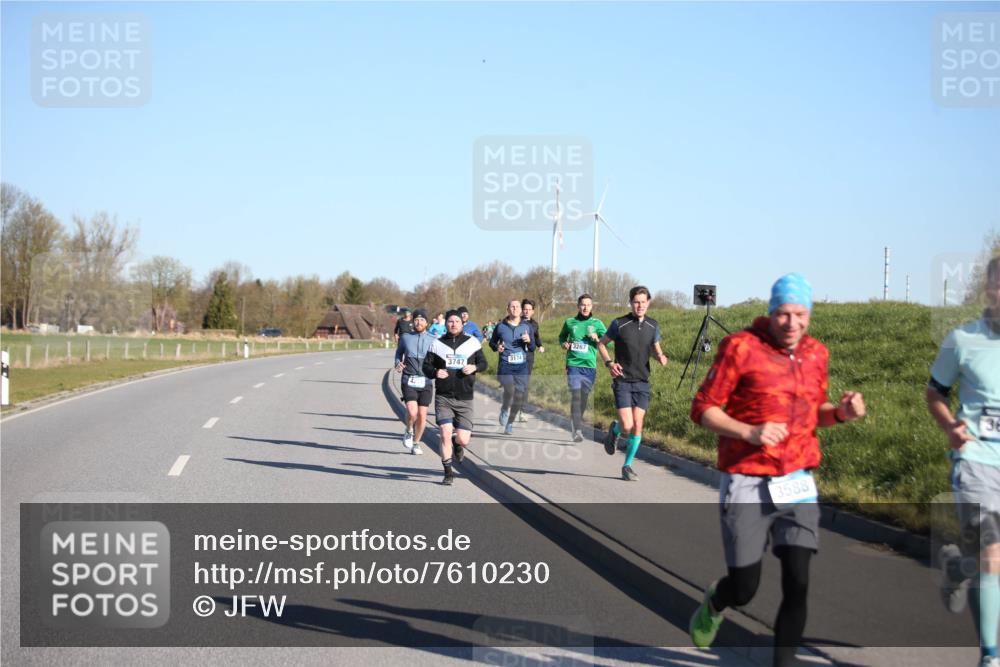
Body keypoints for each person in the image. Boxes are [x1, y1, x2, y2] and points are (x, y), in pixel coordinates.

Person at [688, 273, 866, 667]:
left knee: (798, 581)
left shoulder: (816, 354)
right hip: (747, 478)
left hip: (796, 480)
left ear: (810, 315)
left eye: (800, 315)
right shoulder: (740, 348)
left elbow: (814, 413)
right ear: (770, 313)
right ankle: (718, 600)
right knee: (745, 587)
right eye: (784, 314)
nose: (792, 324)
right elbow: (702, 407)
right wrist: (750, 431)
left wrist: (840, 413)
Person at [929, 256, 1000, 667]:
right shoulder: (963, 339)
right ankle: (990, 656)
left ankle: (958, 568)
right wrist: (952, 427)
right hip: (974, 460)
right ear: (988, 291)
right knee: (991, 547)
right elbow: (934, 392)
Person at [597, 285, 668, 480]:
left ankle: (627, 466)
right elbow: (601, 344)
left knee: (638, 424)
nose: (639, 306)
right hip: (623, 380)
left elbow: (655, 347)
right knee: (627, 425)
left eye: (643, 302)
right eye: (636, 302)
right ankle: (615, 429)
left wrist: (660, 356)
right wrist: (609, 363)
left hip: (642, 381)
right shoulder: (619, 324)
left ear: (648, 303)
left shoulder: (653, 326)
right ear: (630, 303)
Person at [423, 309, 488, 485]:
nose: (453, 324)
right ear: (446, 324)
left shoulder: (472, 342)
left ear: (462, 323)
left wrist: (474, 368)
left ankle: (457, 443)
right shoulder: (437, 344)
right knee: (444, 433)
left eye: (456, 321)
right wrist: (436, 372)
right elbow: (426, 367)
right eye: (450, 321)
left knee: (463, 439)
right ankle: (448, 472)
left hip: (465, 397)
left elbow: (484, 363)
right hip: (443, 397)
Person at [559, 294, 606, 442]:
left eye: (588, 305)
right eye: (582, 305)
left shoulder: (597, 324)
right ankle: (577, 429)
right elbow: (562, 337)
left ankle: (575, 422)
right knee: (576, 395)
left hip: (589, 366)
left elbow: (609, 343)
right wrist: (564, 344)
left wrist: (597, 339)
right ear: (578, 306)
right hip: (573, 364)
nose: (585, 307)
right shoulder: (569, 322)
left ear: (592, 306)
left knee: (584, 397)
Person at [489, 299, 536, 435]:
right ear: (508, 309)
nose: (515, 309)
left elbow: (532, 347)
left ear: (521, 310)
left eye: (517, 307)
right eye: (512, 307)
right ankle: (504, 408)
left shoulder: (528, 327)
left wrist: (529, 341)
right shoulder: (500, 326)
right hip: (506, 364)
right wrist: (497, 346)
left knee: (519, 395)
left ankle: (510, 423)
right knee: (509, 391)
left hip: (522, 365)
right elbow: (492, 343)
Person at [393, 309, 434, 456]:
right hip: (408, 378)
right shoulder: (405, 337)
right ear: (413, 322)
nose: (419, 322)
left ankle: (416, 444)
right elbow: (399, 353)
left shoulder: (433, 339)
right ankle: (409, 429)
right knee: (412, 411)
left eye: (422, 320)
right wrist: (398, 363)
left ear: (427, 323)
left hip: (426, 381)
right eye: (416, 319)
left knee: (422, 416)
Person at [518, 299, 545, 423]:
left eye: (529, 309)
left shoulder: (534, 324)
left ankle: (522, 411)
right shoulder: (515, 322)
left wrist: (540, 346)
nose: (527, 311)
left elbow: (536, 336)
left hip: (528, 356)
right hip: (515, 355)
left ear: (533, 311)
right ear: (521, 310)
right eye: (525, 309)